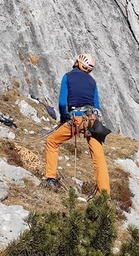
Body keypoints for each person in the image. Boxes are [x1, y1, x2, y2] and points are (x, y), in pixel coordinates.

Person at [45, 53, 110, 195]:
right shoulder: (92, 82)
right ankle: (104, 193)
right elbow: (96, 105)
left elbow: (63, 102)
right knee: (98, 155)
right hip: (92, 119)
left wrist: (63, 117)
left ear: (78, 63)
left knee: (52, 141)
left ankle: (50, 178)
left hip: (77, 119)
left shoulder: (67, 77)